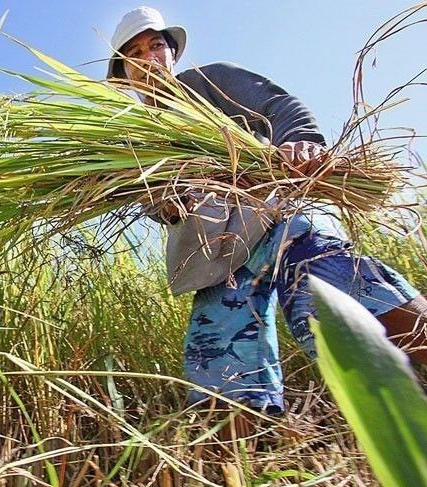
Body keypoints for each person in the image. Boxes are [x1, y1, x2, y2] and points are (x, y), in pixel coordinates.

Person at [106, 6, 427, 413]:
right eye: (135, 53)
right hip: (216, 253)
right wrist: (167, 206)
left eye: (157, 46)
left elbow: (279, 106)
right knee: (222, 364)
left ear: (172, 53)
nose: (149, 58)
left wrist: (300, 141)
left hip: (276, 215)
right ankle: (245, 462)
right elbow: (151, 199)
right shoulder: (134, 136)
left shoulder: (211, 81)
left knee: (337, 298)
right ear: (124, 71)